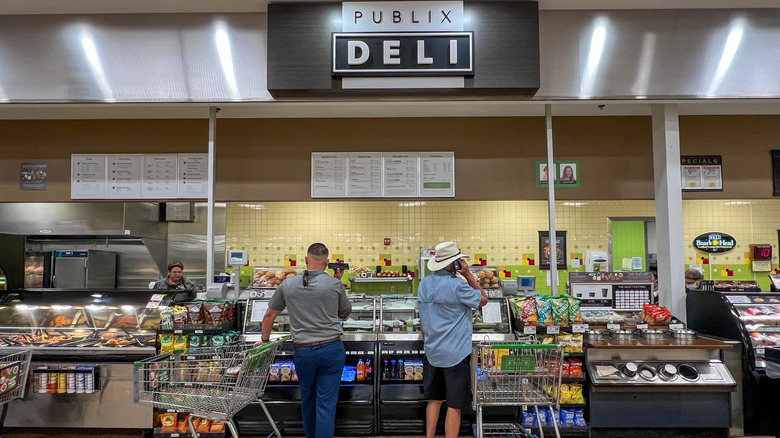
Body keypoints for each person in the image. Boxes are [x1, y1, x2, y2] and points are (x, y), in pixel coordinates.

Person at [259, 243, 351, 438]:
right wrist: (336, 282)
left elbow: (269, 315)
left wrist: (264, 339)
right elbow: (344, 314)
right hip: (331, 349)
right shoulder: (335, 284)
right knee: (326, 404)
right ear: (327, 263)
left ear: (306, 260)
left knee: (308, 399)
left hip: (303, 351)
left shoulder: (288, 284)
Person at [417, 241, 488, 438]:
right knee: (454, 404)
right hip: (455, 354)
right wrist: (467, 274)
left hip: (432, 351)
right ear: (454, 263)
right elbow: (483, 300)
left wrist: (428, 341)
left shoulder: (424, 283)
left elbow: (422, 318)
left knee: (434, 399)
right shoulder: (458, 286)